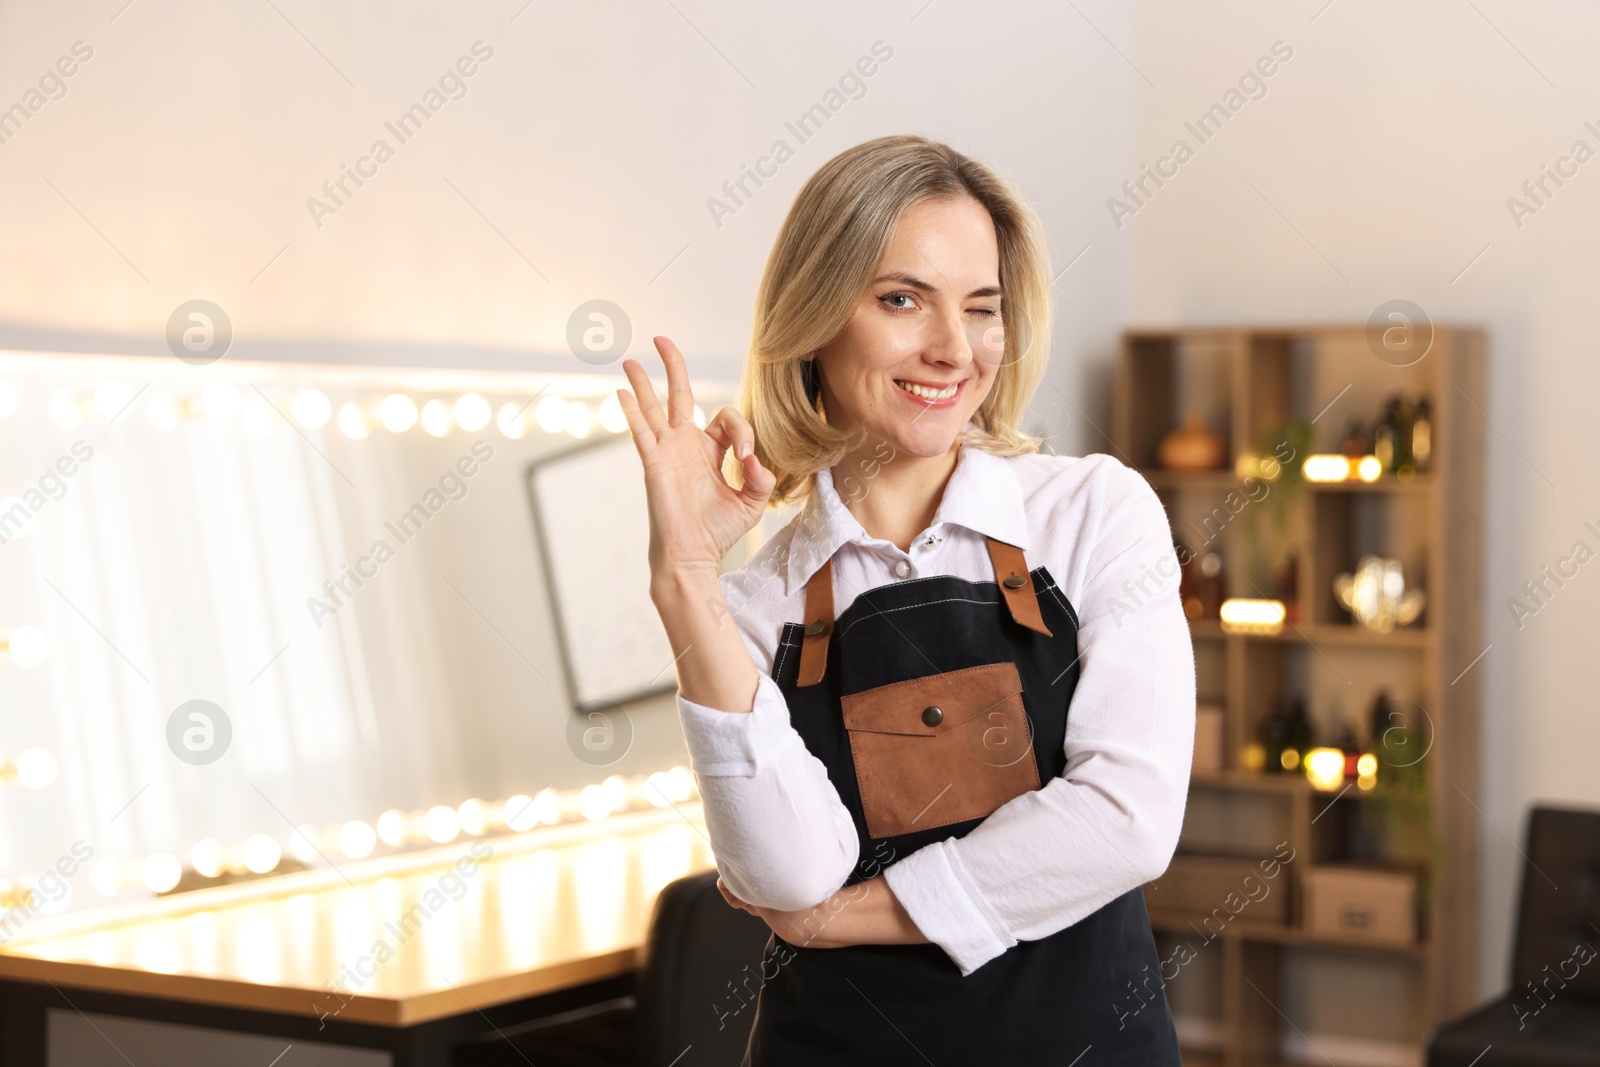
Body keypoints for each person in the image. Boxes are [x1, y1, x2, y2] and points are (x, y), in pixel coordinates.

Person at [616, 134, 1193, 1065]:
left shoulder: (1093, 513)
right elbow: (786, 872)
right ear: (813, 318)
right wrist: (685, 580)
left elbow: (1127, 820)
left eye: (981, 309)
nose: (954, 350)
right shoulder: (759, 606)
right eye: (901, 300)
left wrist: (844, 918)